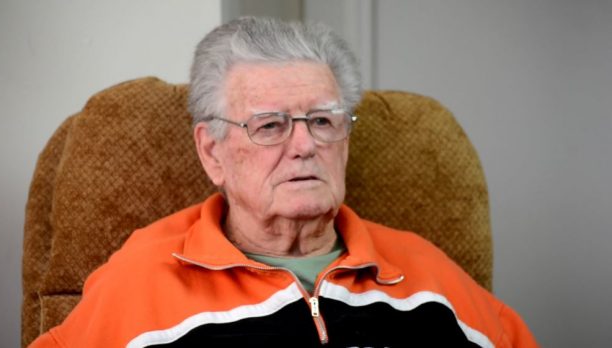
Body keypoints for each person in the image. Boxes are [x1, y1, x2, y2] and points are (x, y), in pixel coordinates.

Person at [29, 17, 538, 347]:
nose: (303, 145)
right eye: (269, 125)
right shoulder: (140, 279)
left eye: (322, 121)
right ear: (213, 152)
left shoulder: (428, 276)